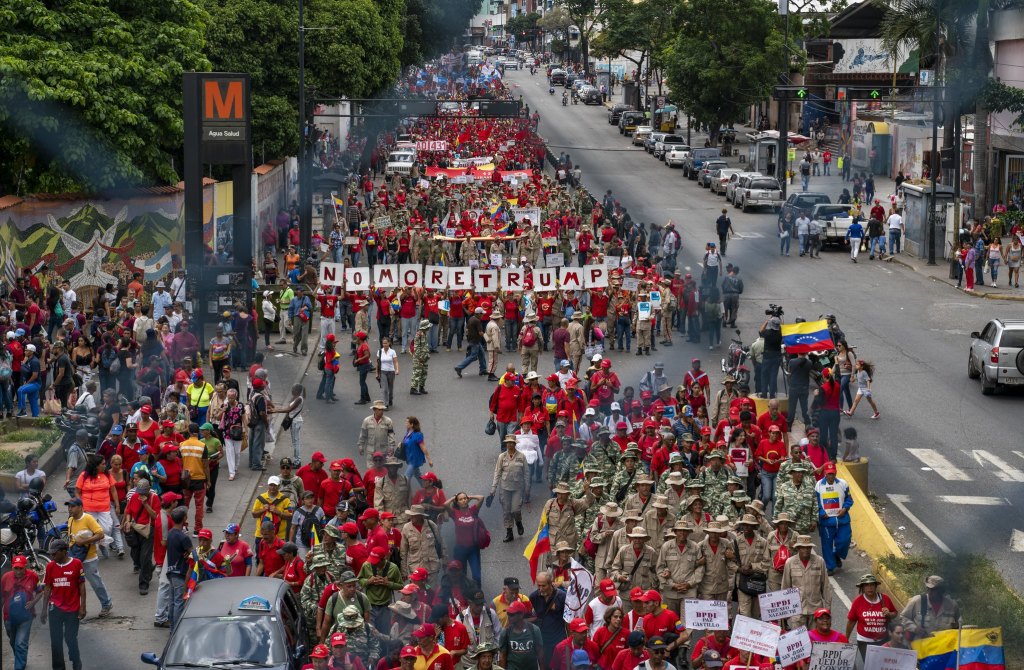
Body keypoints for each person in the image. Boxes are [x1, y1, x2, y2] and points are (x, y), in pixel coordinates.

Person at [39, 541, 85, 670]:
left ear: (64, 551)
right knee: (56, 641)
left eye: (55, 553)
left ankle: (76, 660)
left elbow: (81, 585)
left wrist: (83, 606)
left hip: (72, 608)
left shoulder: (77, 564)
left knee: (70, 638)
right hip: (55, 608)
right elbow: (48, 587)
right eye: (51, 554)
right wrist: (44, 609)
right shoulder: (50, 566)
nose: (53, 556)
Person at [65, 497, 113, 616]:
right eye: (69, 506)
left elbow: (100, 534)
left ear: (80, 507)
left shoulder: (88, 518)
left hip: (89, 558)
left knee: (96, 583)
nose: (70, 509)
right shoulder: (70, 520)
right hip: (74, 557)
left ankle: (106, 604)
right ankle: (73, 608)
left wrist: (84, 541)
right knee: (73, 584)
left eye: (72, 506)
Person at [781, 534, 832, 629]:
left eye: (808, 547)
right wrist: (786, 611)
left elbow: (826, 586)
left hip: (816, 610)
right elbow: (785, 587)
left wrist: (827, 609)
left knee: (816, 640)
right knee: (799, 641)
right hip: (797, 611)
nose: (806, 550)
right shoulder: (790, 562)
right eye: (803, 548)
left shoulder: (819, 561)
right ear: (798, 548)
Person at [845, 573, 897, 662]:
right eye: (866, 585)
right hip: (864, 641)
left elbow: (895, 613)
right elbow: (851, 621)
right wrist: (845, 639)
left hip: (883, 640)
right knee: (871, 664)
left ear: (876, 586)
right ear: (862, 588)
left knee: (882, 663)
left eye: (872, 585)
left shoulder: (885, 599)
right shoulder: (858, 602)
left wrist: (889, 614)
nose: (870, 588)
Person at [814, 463, 853, 574]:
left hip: (842, 520)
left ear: (836, 472)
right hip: (827, 521)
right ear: (825, 473)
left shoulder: (843, 484)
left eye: (833, 473)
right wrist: (821, 512)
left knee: (845, 541)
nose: (831, 476)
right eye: (829, 474)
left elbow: (849, 499)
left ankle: (836, 554)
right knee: (827, 544)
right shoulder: (818, 485)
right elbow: (815, 501)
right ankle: (830, 567)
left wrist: (844, 509)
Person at [3, 554, 40, 670]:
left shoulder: (33, 576)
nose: (18, 571)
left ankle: (19, 666)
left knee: (20, 643)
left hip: (26, 616)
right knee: (13, 641)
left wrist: (33, 602)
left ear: (26, 566)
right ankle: (20, 657)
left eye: (21, 568)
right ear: (12, 567)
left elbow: (40, 591)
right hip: (9, 617)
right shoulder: (6, 577)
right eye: (16, 568)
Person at [164, 506, 192, 627]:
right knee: (179, 602)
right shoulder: (183, 537)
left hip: (170, 572)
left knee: (172, 602)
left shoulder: (170, 533)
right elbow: (193, 555)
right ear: (184, 518)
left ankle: (172, 628)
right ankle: (176, 629)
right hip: (180, 573)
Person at [498, 600, 543, 670]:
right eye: (508, 614)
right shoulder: (505, 632)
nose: (509, 617)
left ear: (521, 615)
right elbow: (502, 656)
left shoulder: (534, 630)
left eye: (512, 614)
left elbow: (540, 653)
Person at [273, 383, 306, 463]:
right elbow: (287, 408)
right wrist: (276, 409)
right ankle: (296, 459)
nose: (291, 390)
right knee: (295, 442)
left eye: (293, 389)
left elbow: (288, 410)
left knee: (296, 442)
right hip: (294, 421)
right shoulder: (295, 398)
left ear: (297, 390)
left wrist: (275, 410)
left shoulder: (299, 399)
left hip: (296, 421)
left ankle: (297, 461)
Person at [376, 337, 399, 408]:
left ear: (389, 343)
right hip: (383, 372)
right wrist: (377, 373)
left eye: (386, 343)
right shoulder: (379, 351)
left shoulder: (392, 351)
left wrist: (397, 369)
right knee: (385, 389)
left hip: (391, 372)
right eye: (383, 343)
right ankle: (385, 404)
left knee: (390, 389)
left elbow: (396, 362)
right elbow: (377, 363)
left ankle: (390, 399)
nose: (385, 344)